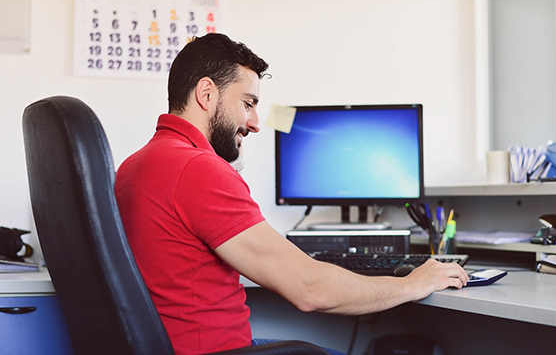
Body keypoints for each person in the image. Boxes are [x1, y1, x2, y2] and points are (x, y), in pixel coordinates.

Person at [114, 33, 469, 355]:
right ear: (206, 94)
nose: (254, 122)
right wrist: (412, 283)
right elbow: (310, 288)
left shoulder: (134, 165)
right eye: (248, 103)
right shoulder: (197, 169)